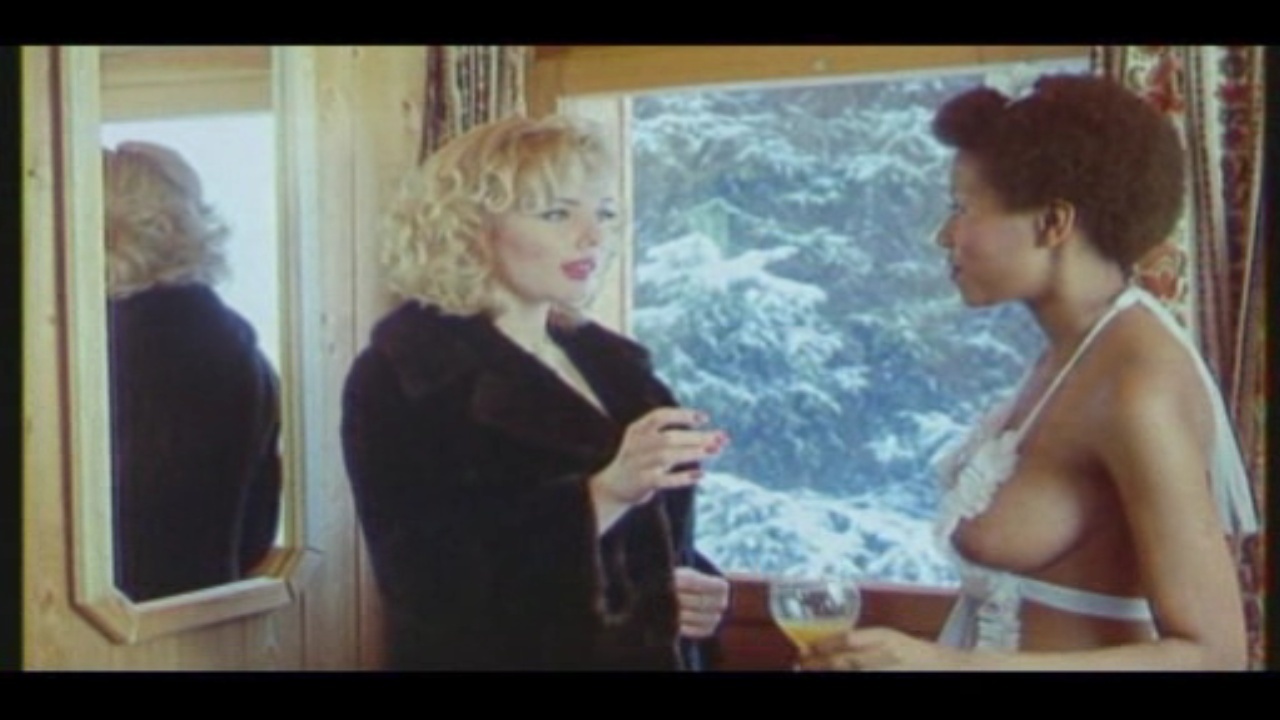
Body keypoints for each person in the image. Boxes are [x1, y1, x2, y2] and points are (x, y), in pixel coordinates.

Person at [800, 74, 1259, 671]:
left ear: (1053, 223)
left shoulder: (1138, 385)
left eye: (961, 208)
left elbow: (1216, 655)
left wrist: (946, 665)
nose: (943, 235)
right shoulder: (1071, 352)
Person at [341, 114, 732, 671]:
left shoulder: (622, 373)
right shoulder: (410, 376)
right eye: (557, 213)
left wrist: (690, 587)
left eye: (604, 213)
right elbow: (430, 587)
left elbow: (645, 543)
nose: (592, 236)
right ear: (472, 227)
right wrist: (604, 494)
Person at [105, 141, 282, 602]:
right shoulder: (240, 346)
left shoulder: (106, 348)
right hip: (207, 609)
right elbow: (256, 531)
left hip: (113, 623)